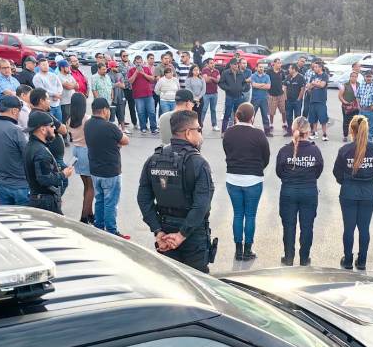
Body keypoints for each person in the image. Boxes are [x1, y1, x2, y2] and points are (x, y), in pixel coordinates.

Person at [137, 110, 215, 272]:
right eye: (198, 129)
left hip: (165, 231)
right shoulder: (199, 163)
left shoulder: (153, 159)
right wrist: (181, 235)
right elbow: (201, 205)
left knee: (171, 281)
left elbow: (143, 199)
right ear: (188, 133)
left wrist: (158, 230)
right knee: (197, 282)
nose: (201, 134)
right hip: (192, 234)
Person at [333, 115, 373, 270]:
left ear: (352, 130)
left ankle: (348, 260)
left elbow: (337, 172)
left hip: (348, 191)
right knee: (364, 228)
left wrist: (346, 181)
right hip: (368, 192)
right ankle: (362, 261)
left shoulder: (345, 150)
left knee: (348, 228)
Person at [222, 102, 270, 260]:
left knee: (237, 214)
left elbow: (227, 151)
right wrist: (257, 168)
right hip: (253, 179)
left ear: (236, 116)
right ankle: (248, 250)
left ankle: (238, 250)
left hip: (233, 179)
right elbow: (266, 157)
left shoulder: (228, 133)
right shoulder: (259, 134)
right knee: (250, 215)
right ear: (253, 117)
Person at [275, 117, 323, 266]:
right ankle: (304, 258)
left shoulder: (284, 150)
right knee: (307, 226)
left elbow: (279, 171)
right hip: (309, 192)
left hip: (288, 191)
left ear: (292, 129)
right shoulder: (315, 150)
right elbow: (318, 170)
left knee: (289, 226)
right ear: (308, 132)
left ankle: (289, 257)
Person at [84, 97, 130, 235]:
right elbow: (125, 140)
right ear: (104, 110)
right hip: (110, 171)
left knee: (99, 200)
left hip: (95, 170)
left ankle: (99, 226)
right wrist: (116, 144)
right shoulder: (110, 126)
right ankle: (111, 230)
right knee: (110, 202)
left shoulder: (88, 124)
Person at [24, 110, 74, 214]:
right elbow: (45, 179)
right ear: (42, 129)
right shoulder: (41, 152)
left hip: (39, 199)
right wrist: (63, 174)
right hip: (45, 202)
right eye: (51, 126)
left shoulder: (31, 146)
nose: (54, 128)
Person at [0, 95, 28, 206]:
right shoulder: (16, 130)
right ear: (14, 111)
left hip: (2, 184)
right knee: (25, 220)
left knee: (8, 221)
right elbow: (28, 156)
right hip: (21, 185)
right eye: (19, 111)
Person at [67, 92, 93, 222]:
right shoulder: (87, 119)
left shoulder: (69, 120)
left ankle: (90, 213)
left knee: (86, 185)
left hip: (76, 151)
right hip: (86, 151)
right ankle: (83, 216)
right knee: (91, 187)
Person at [128, 55, 158, 134]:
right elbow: (130, 81)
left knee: (151, 111)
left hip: (148, 94)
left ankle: (153, 128)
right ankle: (143, 127)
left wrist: (143, 73)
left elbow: (152, 79)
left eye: (140, 62)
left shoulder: (146, 69)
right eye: (137, 63)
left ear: (142, 62)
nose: (139, 64)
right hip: (138, 96)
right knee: (141, 112)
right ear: (134, 62)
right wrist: (136, 72)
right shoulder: (131, 70)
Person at [32, 57, 64, 123]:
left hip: (57, 104)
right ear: (39, 66)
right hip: (48, 106)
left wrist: (58, 93)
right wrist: (54, 94)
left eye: (46, 64)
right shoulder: (37, 77)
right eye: (43, 65)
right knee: (50, 124)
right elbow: (42, 90)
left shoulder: (53, 75)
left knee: (59, 123)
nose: (45, 66)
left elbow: (59, 86)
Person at [219, 59, 247, 133]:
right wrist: (228, 88)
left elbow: (244, 83)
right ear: (231, 65)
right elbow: (221, 83)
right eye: (234, 64)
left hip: (238, 97)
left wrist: (242, 88)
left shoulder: (240, 73)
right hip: (229, 97)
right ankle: (223, 131)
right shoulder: (226, 73)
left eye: (237, 64)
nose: (236, 66)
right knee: (227, 114)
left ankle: (236, 131)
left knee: (237, 115)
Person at [308, 60, 330, 141]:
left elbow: (322, 85)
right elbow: (309, 87)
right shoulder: (313, 76)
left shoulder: (324, 75)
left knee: (323, 118)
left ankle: (324, 134)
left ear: (320, 67)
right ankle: (314, 133)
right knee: (313, 118)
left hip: (321, 101)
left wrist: (313, 84)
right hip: (313, 100)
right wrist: (312, 84)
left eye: (316, 67)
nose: (314, 68)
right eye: (314, 67)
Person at [248, 61, 272, 134]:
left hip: (264, 99)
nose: (261, 68)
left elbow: (268, 86)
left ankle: (267, 131)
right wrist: (263, 84)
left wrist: (259, 85)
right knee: (252, 115)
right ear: (256, 68)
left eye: (262, 67)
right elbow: (254, 85)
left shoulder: (267, 76)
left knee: (265, 115)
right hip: (255, 99)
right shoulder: (253, 76)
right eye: (260, 67)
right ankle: (249, 131)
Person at [116, 50, 137, 129]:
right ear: (121, 57)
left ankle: (135, 123)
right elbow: (117, 76)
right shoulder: (119, 66)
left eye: (127, 55)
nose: (126, 57)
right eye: (124, 56)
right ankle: (122, 123)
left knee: (132, 107)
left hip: (131, 88)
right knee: (122, 107)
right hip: (123, 89)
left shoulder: (132, 64)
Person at [266, 58, 287, 135]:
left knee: (283, 110)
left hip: (281, 94)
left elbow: (284, 81)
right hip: (272, 94)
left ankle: (284, 123)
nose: (279, 64)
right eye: (278, 63)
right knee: (271, 111)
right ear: (273, 63)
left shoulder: (282, 72)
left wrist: (284, 89)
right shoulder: (269, 72)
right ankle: (271, 124)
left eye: (280, 63)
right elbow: (266, 81)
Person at [339, 70, 360, 143]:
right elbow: (340, 96)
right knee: (346, 121)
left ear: (357, 78)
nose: (353, 78)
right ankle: (345, 135)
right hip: (347, 107)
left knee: (355, 122)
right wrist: (345, 102)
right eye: (352, 76)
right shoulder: (345, 85)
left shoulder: (359, 85)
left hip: (356, 107)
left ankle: (355, 136)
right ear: (350, 77)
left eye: (355, 77)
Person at [356, 70, 373, 142]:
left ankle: (369, 140)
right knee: (360, 125)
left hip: (370, 110)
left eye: (370, 77)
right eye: (367, 76)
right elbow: (358, 96)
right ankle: (360, 139)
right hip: (361, 109)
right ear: (364, 77)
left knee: (371, 126)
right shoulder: (361, 85)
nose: (368, 78)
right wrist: (358, 106)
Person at [284, 64, 306, 132]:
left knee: (297, 116)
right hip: (288, 100)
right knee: (288, 116)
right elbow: (285, 87)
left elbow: (302, 89)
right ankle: (289, 130)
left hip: (297, 101)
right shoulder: (288, 76)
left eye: (290, 69)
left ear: (294, 69)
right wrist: (285, 98)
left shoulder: (300, 77)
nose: (288, 70)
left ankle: (297, 130)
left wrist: (299, 99)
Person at [201, 59, 220, 131]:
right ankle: (200, 124)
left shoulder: (217, 71)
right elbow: (205, 80)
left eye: (213, 63)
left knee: (213, 110)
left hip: (214, 93)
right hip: (206, 94)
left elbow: (218, 81)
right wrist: (213, 79)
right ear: (208, 64)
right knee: (204, 109)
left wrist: (211, 78)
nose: (213, 64)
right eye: (211, 63)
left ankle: (214, 125)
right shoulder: (204, 70)